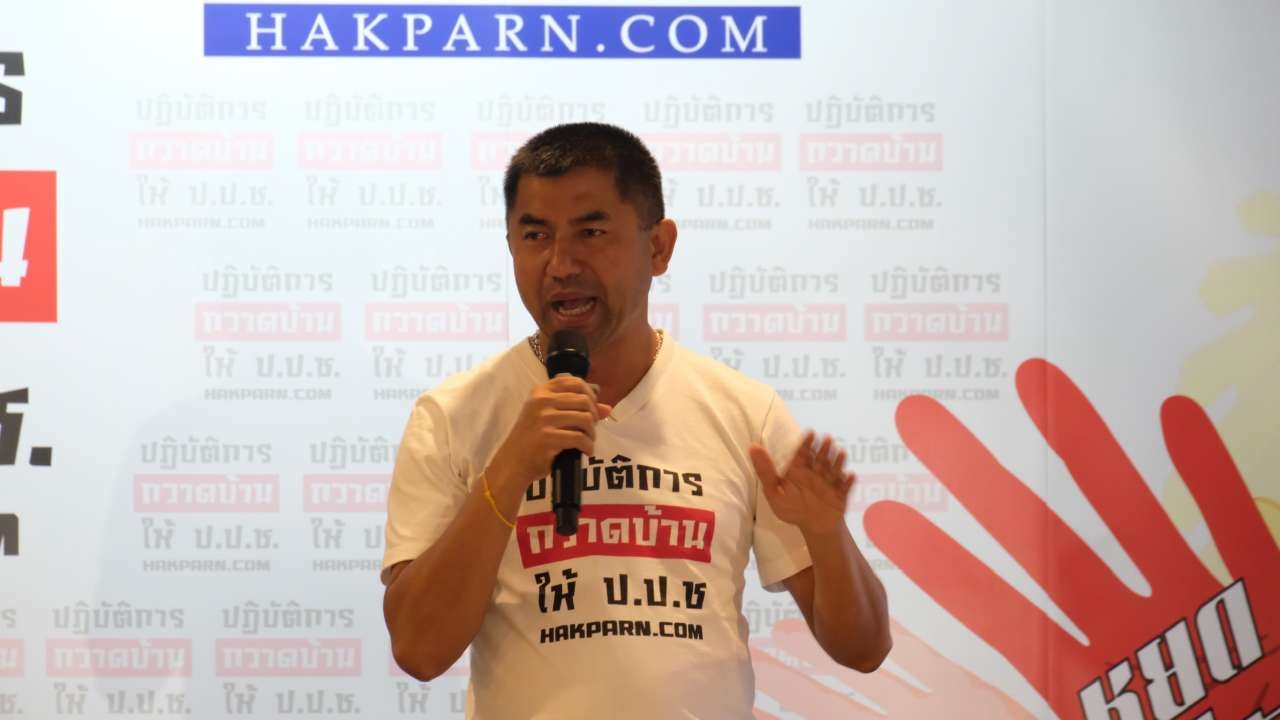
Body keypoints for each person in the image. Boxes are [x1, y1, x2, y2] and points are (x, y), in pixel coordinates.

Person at [380, 122, 891, 718]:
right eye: (535, 235)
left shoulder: (744, 411)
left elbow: (863, 649)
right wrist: (510, 469)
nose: (560, 263)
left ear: (659, 247)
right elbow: (418, 650)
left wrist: (827, 534)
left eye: (591, 232)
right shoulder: (452, 415)